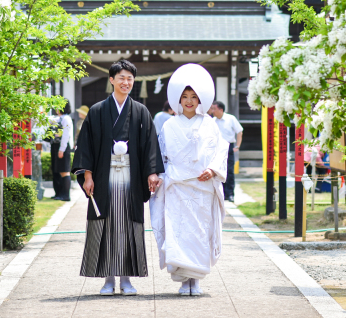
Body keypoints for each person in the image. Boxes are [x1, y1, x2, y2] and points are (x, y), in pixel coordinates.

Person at [71, 59, 164, 296]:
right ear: (111, 80)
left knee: (128, 226)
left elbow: (150, 145)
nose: (126, 82)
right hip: (104, 176)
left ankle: (127, 279)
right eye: (121, 78)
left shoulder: (141, 111)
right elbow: (87, 146)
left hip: (131, 178)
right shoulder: (98, 111)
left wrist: (152, 172)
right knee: (106, 224)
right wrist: (88, 176)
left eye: (130, 78)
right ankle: (108, 279)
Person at [150, 64, 228, 296]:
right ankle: (185, 280)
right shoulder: (169, 125)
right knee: (179, 232)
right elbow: (161, 154)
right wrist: (158, 176)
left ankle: (197, 279)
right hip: (176, 187)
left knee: (199, 232)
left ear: (201, 99)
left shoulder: (210, 124)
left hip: (201, 187)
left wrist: (213, 169)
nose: (189, 101)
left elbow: (220, 150)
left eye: (194, 96)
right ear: (178, 99)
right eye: (184, 96)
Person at [208, 101, 243, 202]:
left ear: (221, 109)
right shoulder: (212, 121)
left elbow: (239, 131)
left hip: (228, 146)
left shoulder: (230, 118)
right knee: (217, 171)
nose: (212, 111)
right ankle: (221, 193)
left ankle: (230, 194)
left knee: (229, 171)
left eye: (214, 109)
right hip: (216, 148)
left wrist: (238, 145)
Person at [52, 102, 74, 201]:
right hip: (60, 147)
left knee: (65, 172)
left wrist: (62, 150)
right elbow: (51, 120)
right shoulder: (60, 118)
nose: (56, 109)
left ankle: (66, 195)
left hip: (64, 147)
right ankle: (60, 194)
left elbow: (66, 136)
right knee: (59, 171)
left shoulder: (66, 119)